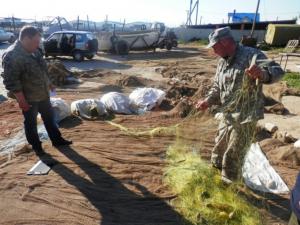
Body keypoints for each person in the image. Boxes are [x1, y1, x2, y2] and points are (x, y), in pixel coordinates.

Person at [196, 27, 284, 182]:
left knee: (233, 155)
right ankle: (217, 177)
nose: (214, 51)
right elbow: (217, 86)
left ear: (225, 42)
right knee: (219, 149)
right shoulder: (222, 62)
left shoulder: (252, 55)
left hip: (245, 116)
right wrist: (207, 101)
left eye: (215, 47)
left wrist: (263, 74)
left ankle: (229, 186)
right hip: (227, 114)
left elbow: (278, 71)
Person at [1, 26, 72, 160]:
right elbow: (11, 81)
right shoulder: (12, 55)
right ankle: (37, 147)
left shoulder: (34, 50)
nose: (38, 44)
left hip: (43, 94)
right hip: (29, 98)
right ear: (26, 38)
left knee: (49, 118)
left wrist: (49, 83)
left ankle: (57, 140)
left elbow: (42, 69)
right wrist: (22, 101)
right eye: (35, 41)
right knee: (31, 123)